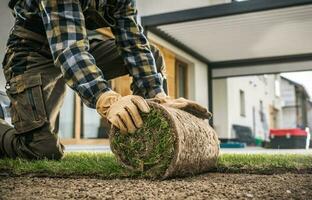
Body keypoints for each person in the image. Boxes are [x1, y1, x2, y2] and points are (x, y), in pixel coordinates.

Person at [0, 0, 211, 160]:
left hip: (78, 46)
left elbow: (134, 44)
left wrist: (157, 94)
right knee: (41, 151)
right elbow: (69, 48)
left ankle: (143, 134)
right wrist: (107, 99)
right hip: (32, 54)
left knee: (151, 56)